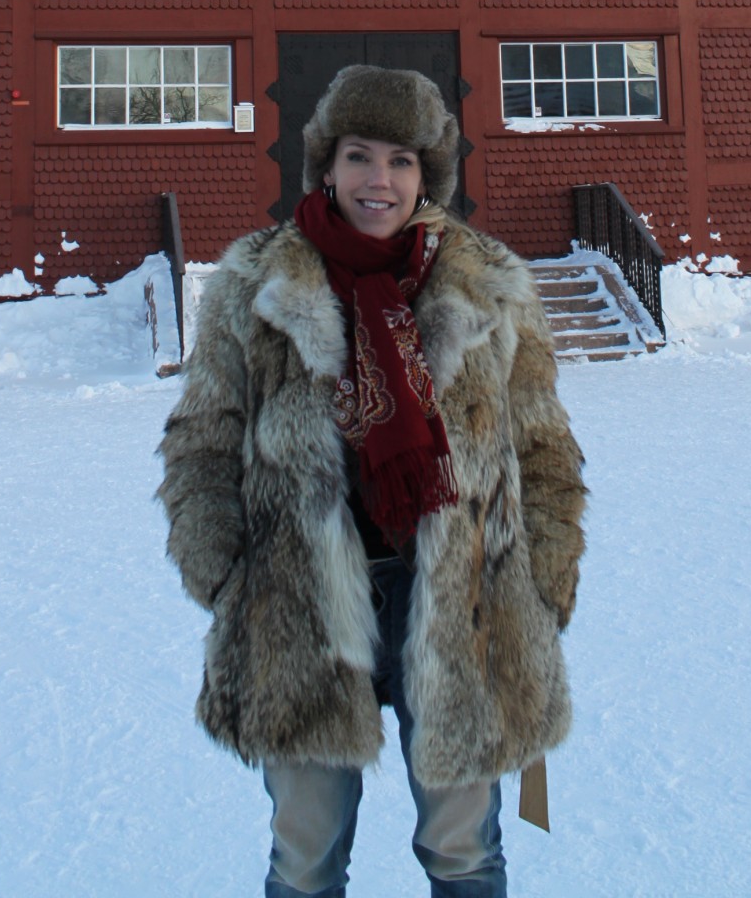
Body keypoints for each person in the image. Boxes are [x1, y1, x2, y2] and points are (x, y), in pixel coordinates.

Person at [159, 64, 586, 897]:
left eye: (400, 160)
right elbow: (204, 440)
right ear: (326, 165)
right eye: (358, 155)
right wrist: (226, 574)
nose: (378, 180)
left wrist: (544, 579)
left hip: (463, 598)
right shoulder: (257, 284)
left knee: (464, 854)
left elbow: (542, 444)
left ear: (427, 176)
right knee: (306, 860)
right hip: (302, 604)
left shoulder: (487, 284)